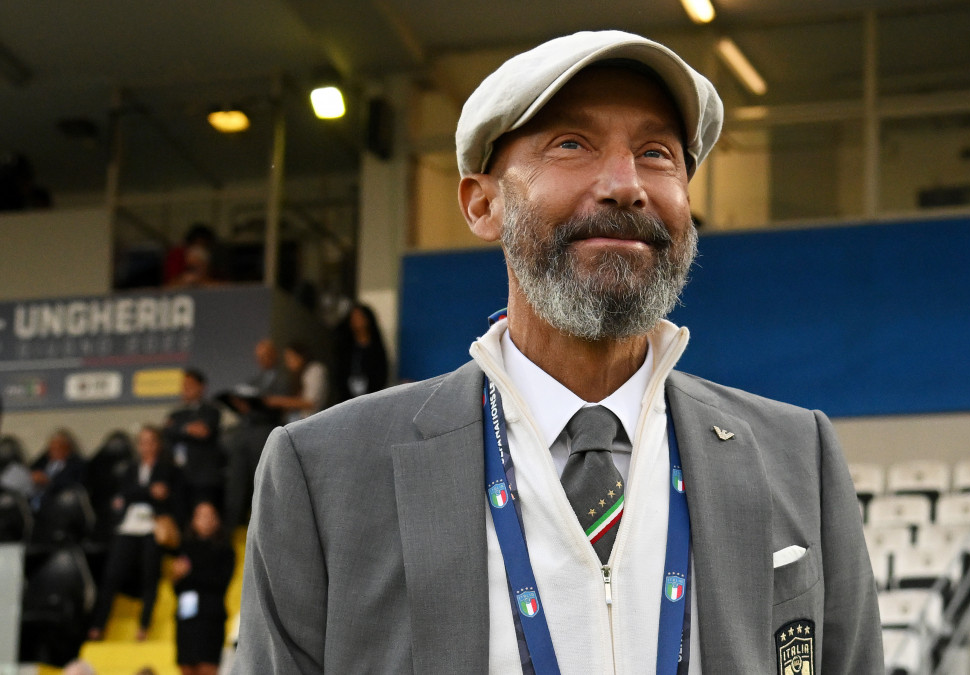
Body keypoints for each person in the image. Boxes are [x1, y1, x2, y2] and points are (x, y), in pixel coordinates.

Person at [235, 30, 881, 674]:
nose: (625, 185)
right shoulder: (324, 475)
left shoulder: (800, 457)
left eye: (658, 152)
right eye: (572, 144)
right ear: (482, 203)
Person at [89, 425, 179, 642]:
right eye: (142, 442)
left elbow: (168, 497)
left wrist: (138, 495)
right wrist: (149, 492)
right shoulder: (130, 468)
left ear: (158, 444)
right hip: (128, 527)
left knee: (150, 576)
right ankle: (97, 626)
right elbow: (123, 496)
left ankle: (144, 626)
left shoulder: (168, 468)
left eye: (150, 441)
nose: (146, 446)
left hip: (153, 527)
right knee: (112, 575)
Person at [222, 338, 289, 526]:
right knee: (236, 485)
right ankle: (233, 528)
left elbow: (282, 404)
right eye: (259, 356)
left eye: (266, 355)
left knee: (261, 483)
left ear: (274, 355)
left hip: (265, 432)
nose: (263, 359)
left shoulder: (284, 379)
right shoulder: (252, 381)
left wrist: (265, 403)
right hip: (245, 432)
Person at [171, 501, 235, 675]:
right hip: (186, 617)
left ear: (217, 520)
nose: (206, 520)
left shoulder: (225, 550)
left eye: (210, 515)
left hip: (210, 618)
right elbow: (178, 587)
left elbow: (218, 583)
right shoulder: (184, 547)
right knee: (186, 667)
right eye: (201, 515)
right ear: (193, 520)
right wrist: (177, 576)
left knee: (207, 667)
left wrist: (188, 573)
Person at [163, 369, 224, 514]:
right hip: (180, 476)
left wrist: (178, 428)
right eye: (184, 385)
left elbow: (203, 431)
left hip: (204, 478)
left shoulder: (211, 410)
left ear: (202, 387)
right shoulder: (176, 413)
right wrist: (188, 428)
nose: (186, 389)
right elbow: (166, 430)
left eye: (190, 385)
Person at [332, 302, 391, 404]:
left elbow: (382, 373)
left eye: (359, 317)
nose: (356, 321)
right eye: (353, 318)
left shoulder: (376, 348)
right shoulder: (345, 349)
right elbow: (339, 373)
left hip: (373, 399)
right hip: (347, 399)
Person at [263, 342, 328, 423]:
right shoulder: (301, 374)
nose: (288, 363)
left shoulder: (315, 370)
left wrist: (279, 401)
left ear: (300, 356)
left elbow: (310, 402)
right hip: (303, 420)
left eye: (290, 358)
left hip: (313, 420)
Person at [29, 428, 86, 511]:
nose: (54, 451)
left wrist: (49, 481)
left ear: (68, 449)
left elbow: (75, 484)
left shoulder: (76, 465)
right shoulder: (42, 462)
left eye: (59, 448)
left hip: (57, 502)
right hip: (34, 498)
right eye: (52, 448)